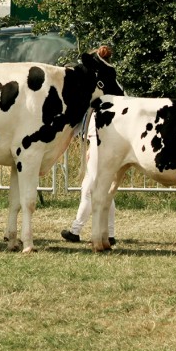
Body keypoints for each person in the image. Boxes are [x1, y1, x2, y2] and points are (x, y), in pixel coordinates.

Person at [62, 45, 117, 245]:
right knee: (102, 187)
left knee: (90, 187)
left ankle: (76, 230)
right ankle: (109, 233)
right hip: (101, 141)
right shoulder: (108, 86)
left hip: (101, 141)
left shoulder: (98, 92)